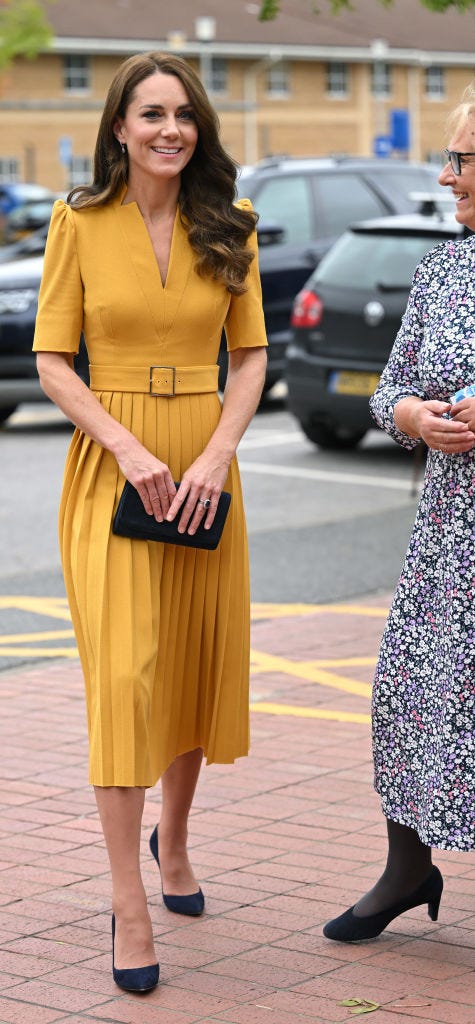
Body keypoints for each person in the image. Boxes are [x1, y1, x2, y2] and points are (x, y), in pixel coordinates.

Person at [33, 52, 267, 991]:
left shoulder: (231, 226)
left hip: (207, 466)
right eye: (150, 114)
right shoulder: (76, 224)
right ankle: (130, 904)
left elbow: (248, 359)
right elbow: (53, 360)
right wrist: (129, 449)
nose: (170, 129)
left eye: (183, 114)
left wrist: (213, 455)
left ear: (198, 128)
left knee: (189, 671)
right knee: (126, 678)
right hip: (114, 463)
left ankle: (175, 845)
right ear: (120, 129)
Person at [323, 84, 475, 943]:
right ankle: (408, 868)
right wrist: (413, 417)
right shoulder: (442, 269)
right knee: (409, 691)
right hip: (447, 535)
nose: (446, 177)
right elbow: (387, 391)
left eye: (459, 160)